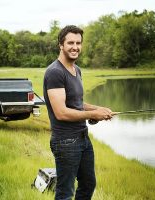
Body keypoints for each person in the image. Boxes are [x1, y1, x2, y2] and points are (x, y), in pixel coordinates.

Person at [43, 25, 113, 200]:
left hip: (82, 138)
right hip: (66, 141)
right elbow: (61, 113)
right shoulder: (55, 72)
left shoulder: (77, 70)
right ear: (61, 44)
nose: (75, 47)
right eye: (70, 43)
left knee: (88, 184)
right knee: (65, 192)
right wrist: (92, 115)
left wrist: (98, 110)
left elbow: (76, 103)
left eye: (78, 43)